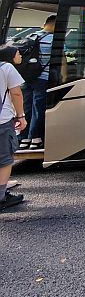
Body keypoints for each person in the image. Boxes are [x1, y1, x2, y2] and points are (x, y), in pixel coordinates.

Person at [18, 14, 54, 150]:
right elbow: (61, 61)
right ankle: (35, 138)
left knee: (26, 108)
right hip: (42, 78)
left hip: (26, 78)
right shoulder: (53, 39)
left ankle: (23, 139)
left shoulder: (31, 36)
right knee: (38, 108)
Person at [0, 44, 27, 211]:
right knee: (5, 158)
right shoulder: (6, 67)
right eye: (18, 53)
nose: (21, 56)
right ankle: (1, 195)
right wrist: (21, 116)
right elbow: (16, 93)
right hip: (2, 120)